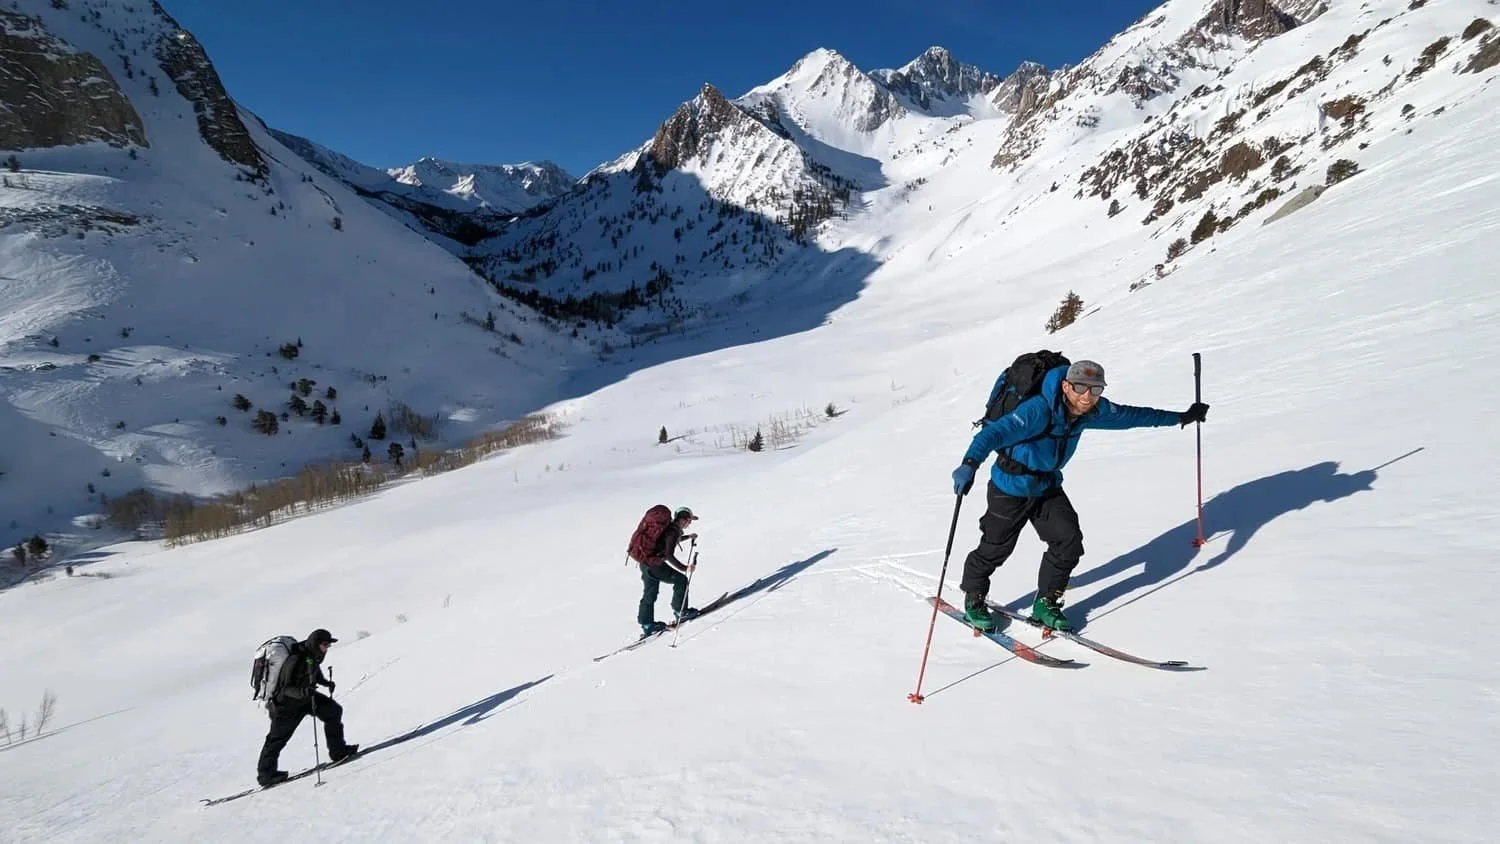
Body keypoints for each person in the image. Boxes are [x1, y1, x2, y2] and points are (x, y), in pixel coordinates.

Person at [949, 360, 1209, 632]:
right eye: (1080, 387)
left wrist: (1181, 417)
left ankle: (1046, 603)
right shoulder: (1037, 411)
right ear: (1066, 386)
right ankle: (974, 597)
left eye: (1095, 389)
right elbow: (993, 434)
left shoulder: (1093, 411)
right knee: (996, 547)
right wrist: (969, 464)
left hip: (1046, 486)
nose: (1086, 396)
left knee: (1068, 542)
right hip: (1010, 486)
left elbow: (1133, 416)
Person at [256, 628, 359, 787]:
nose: (327, 648)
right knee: (277, 739)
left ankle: (338, 751)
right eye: (325, 644)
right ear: (316, 643)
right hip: (287, 705)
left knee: (333, 711)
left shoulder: (313, 656)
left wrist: (326, 683)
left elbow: (314, 673)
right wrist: (303, 691)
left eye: (328, 645)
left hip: (306, 699)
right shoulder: (296, 659)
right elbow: (285, 688)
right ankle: (266, 775)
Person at [637, 507, 702, 636]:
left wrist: (688, 537)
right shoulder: (672, 531)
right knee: (681, 580)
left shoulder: (669, 529)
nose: (689, 524)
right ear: (682, 520)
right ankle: (681, 612)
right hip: (655, 565)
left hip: (645, 563)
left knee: (650, 593)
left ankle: (647, 624)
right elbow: (668, 554)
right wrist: (685, 568)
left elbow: (670, 541)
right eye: (689, 521)